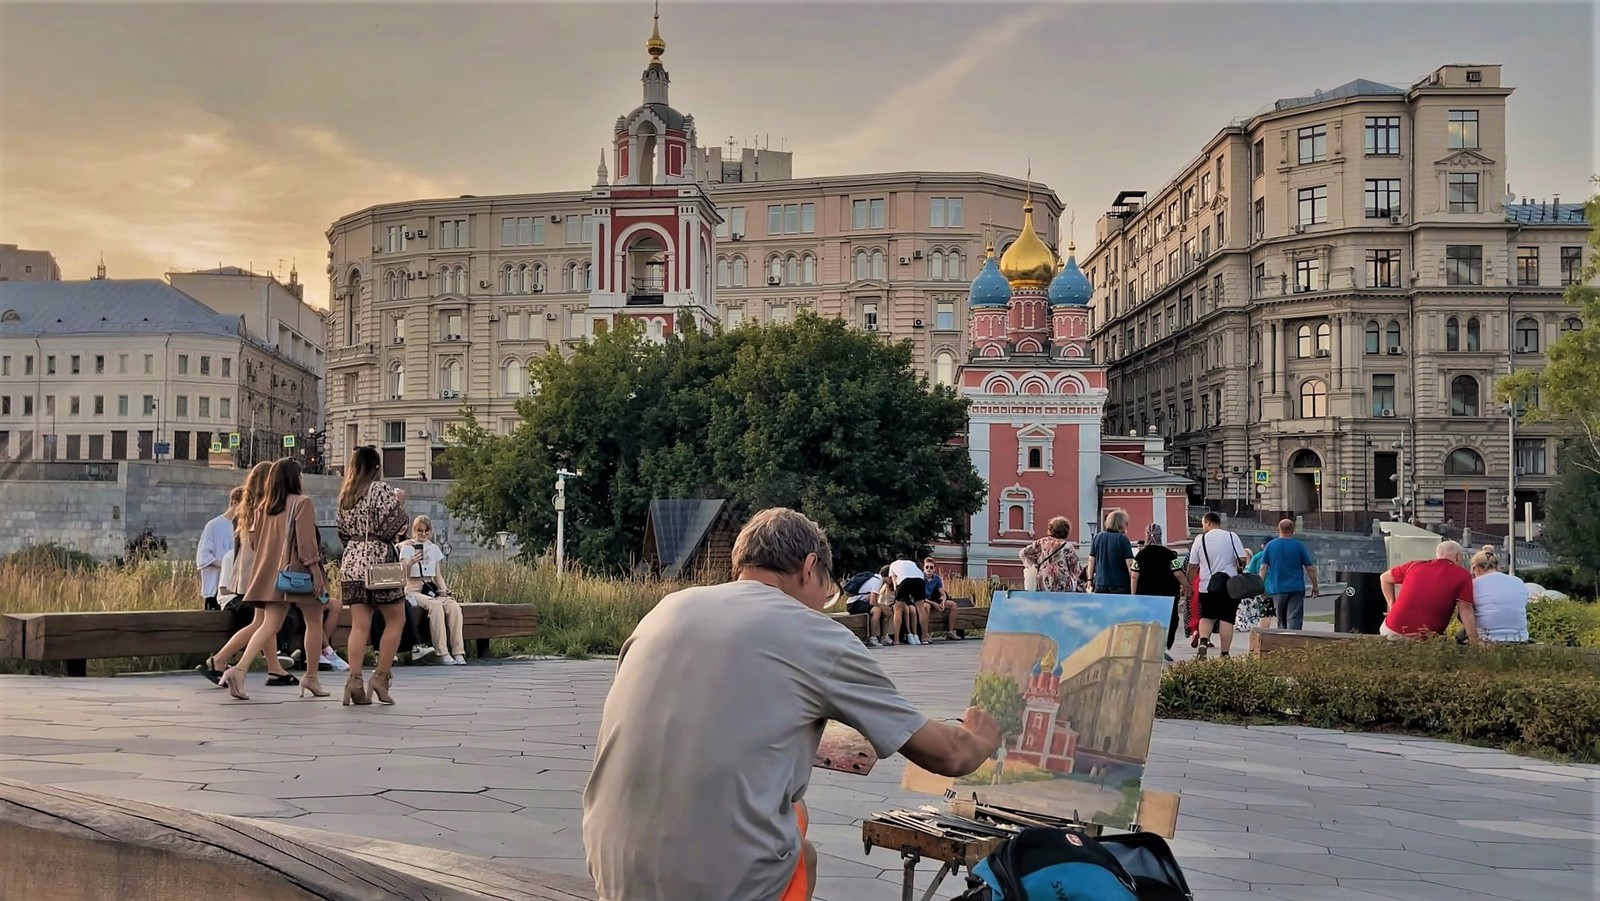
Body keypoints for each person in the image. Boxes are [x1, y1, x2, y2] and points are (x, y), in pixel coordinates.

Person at [582, 507, 1001, 901]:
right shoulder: (816, 634)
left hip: (612, 872)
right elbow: (949, 756)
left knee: (794, 810)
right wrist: (981, 735)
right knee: (805, 853)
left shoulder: (666, 609)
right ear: (808, 567)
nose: (824, 603)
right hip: (714, 885)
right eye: (827, 590)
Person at [218, 458, 329, 701]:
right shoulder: (302, 503)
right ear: (293, 477)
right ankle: (311, 677)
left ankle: (239, 670)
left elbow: (256, 542)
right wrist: (316, 571)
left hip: (270, 574)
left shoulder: (262, 507)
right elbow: (307, 543)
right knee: (314, 620)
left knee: (269, 624)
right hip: (298, 573)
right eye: (300, 474)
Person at [198, 463, 298, 687]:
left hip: (247, 571)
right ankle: (219, 660)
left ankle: (274, 669)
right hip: (259, 571)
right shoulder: (265, 507)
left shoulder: (246, 508)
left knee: (262, 621)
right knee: (262, 623)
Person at [337, 446, 412, 705]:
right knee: (396, 618)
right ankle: (380, 677)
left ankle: (354, 681)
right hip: (378, 561)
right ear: (376, 467)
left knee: (359, 624)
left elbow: (343, 534)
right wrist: (399, 503)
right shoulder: (379, 489)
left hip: (352, 561)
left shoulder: (346, 494)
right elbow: (395, 528)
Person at [398, 515, 466, 665]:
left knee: (453, 607)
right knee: (435, 606)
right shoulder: (407, 547)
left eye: (426, 531)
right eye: (419, 531)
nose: (422, 534)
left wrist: (444, 590)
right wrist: (411, 562)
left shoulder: (433, 548)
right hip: (413, 588)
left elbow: (438, 575)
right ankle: (442, 652)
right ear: (414, 531)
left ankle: (458, 651)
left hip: (429, 586)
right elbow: (403, 575)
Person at [1379, 540, 1477, 639]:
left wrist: (1392, 605)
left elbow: (1384, 578)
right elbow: (1465, 609)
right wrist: (1474, 641)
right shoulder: (1462, 575)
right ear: (1457, 556)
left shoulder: (1414, 565)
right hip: (1424, 638)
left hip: (1391, 629)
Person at [1186, 512, 1248, 659]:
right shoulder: (1232, 536)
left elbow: (1193, 566)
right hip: (1229, 586)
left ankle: (1203, 641)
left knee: (1207, 616)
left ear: (1207, 523)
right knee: (1226, 618)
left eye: (1203, 524)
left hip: (1207, 586)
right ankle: (1225, 653)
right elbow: (1242, 559)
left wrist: (1188, 584)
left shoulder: (1200, 539)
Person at [1131, 524, 1185, 661]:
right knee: (1168, 621)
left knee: (1148, 620)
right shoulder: (1169, 554)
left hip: (1145, 595)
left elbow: (1134, 576)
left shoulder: (1140, 555)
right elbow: (1178, 573)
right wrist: (1188, 587)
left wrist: (1133, 595)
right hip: (1167, 595)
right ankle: (1163, 647)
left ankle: (1147, 648)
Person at [1259, 519, 1319, 630]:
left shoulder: (1270, 546)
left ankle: (1282, 641)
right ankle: (1294, 642)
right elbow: (1310, 568)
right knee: (1294, 618)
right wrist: (1315, 585)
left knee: (1281, 619)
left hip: (1277, 588)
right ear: (1293, 530)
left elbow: (1263, 568)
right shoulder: (1299, 546)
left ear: (1278, 529)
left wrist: (1260, 587)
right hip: (1296, 587)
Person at [1467, 546, 1529, 642]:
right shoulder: (1518, 581)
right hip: (1520, 638)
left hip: (1487, 639)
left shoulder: (1473, 584)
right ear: (1496, 566)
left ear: (1476, 568)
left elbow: (1465, 613)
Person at [1019, 516, 1080, 592]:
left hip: (1043, 579)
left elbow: (1023, 553)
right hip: (1061, 582)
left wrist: (1033, 565)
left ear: (1051, 529)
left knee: (1043, 602)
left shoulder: (1041, 542)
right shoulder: (1068, 546)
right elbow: (1075, 569)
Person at [196, 497, 235, 611]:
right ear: (235, 503)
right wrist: (229, 567)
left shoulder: (245, 526)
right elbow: (204, 558)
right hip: (215, 589)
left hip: (235, 590)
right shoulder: (214, 526)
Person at [1087, 510, 1136, 594]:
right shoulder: (1123, 539)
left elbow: (1091, 560)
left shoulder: (1098, 537)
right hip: (1120, 584)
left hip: (1100, 582)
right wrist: (1134, 582)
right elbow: (1130, 564)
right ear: (1121, 523)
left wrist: (1089, 580)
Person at [888, 556, 927, 645]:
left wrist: (898, 595)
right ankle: (925, 638)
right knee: (921, 609)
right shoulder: (911, 563)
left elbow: (895, 583)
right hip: (920, 580)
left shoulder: (893, 564)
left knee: (898, 610)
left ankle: (896, 640)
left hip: (904, 580)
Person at [922, 556, 961, 641]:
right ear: (923, 567)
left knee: (953, 605)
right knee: (926, 607)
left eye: (931, 567)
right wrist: (934, 604)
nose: (929, 569)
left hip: (933, 599)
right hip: (923, 600)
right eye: (927, 567)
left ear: (934, 568)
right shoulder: (920, 578)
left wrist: (943, 602)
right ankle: (925, 634)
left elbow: (943, 594)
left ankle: (950, 632)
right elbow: (920, 596)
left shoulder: (936, 578)